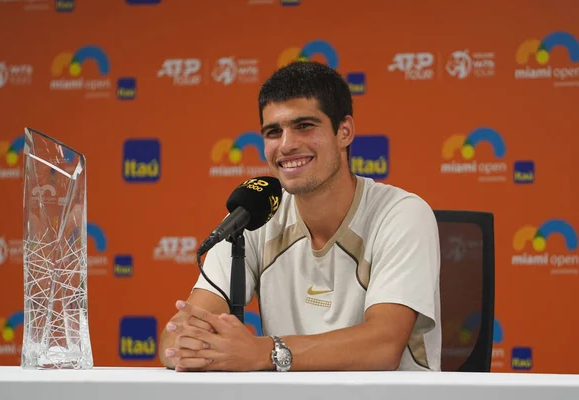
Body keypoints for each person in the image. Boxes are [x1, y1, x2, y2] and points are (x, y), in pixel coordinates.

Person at [159, 61, 441, 372]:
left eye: (304, 126)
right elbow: (176, 340)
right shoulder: (255, 216)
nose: (287, 145)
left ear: (344, 131)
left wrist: (263, 352)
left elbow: (383, 346)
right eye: (273, 132)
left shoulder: (402, 214)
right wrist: (185, 344)